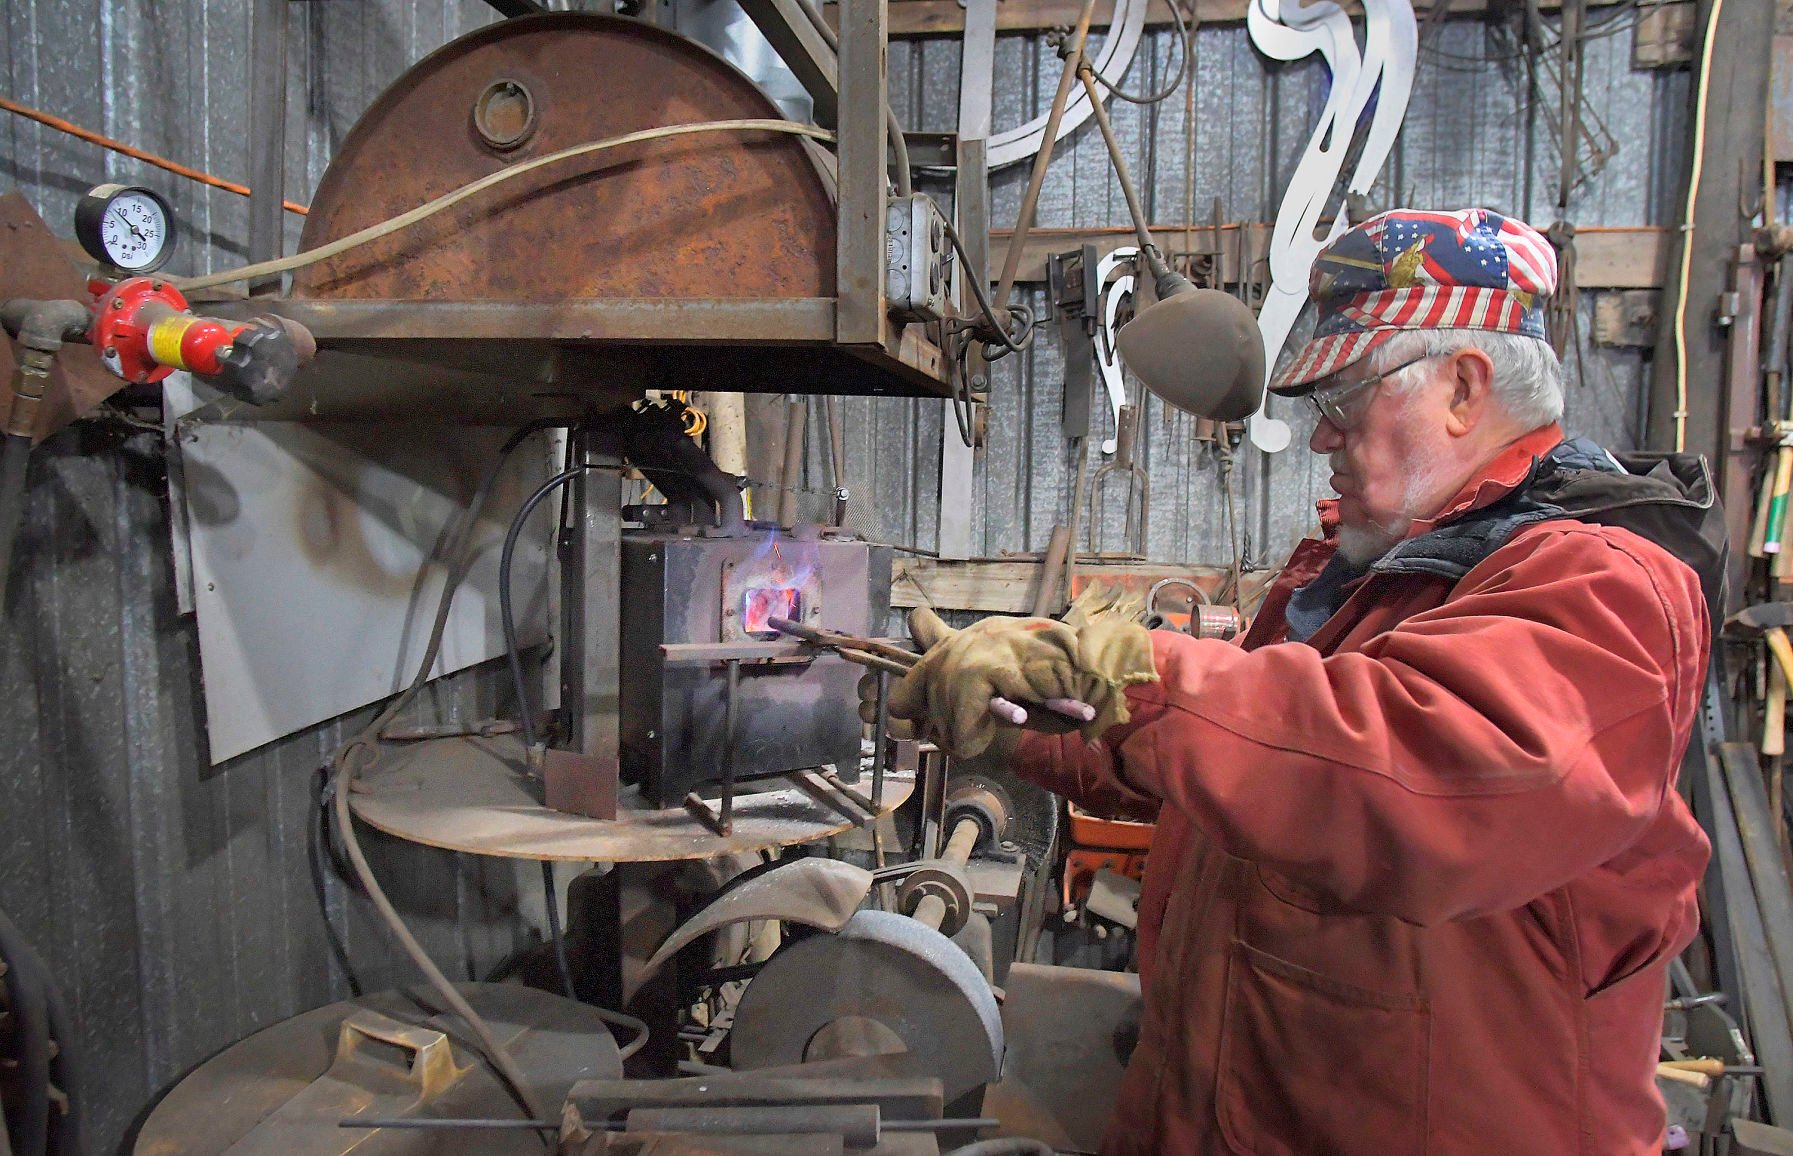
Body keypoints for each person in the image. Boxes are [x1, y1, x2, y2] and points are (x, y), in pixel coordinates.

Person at [887, 208, 1719, 1154]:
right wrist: (1019, 720)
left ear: (1462, 386)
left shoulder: (1602, 586)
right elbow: (1244, 765)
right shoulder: (1371, 574)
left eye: (1342, 401)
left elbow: (1412, 777)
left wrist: (1133, 673)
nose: (1321, 441)